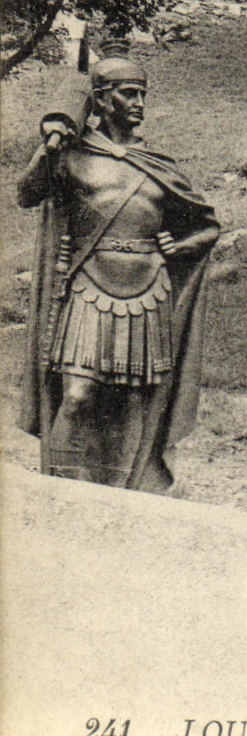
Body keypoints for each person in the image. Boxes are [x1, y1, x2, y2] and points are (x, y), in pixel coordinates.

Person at [17, 55, 219, 492]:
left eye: (143, 94)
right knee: (76, 397)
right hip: (90, 287)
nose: (139, 102)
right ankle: (60, 493)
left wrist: (180, 247)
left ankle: (121, 495)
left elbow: (207, 226)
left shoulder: (157, 166)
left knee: (130, 404)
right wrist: (49, 143)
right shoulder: (74, 157)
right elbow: (27, 193)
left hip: (148, 292)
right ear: (101, 100)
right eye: (129, 93)